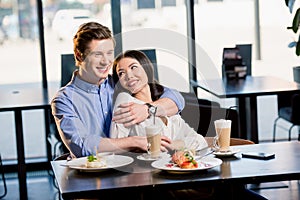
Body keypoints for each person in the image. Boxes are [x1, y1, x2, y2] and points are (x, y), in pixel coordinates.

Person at [51, 22, 185, 158]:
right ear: (79, 56)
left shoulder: (121, 81)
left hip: (134, 167)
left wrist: (148, 109)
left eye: (109, 53)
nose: (106, 61)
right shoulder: (63, 100)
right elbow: (82, 146)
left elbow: (176, 99)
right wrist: (134, 142)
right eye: (97, 54)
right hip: (92, 173)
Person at [110, 50, 208, 151]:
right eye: (121, 73)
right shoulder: (125, 101)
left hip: (173, 165)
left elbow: (199, 141)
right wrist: (135, 144)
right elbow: (115, 145)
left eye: (133, 67)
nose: (129, 76)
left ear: (146, 68)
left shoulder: (165, 104)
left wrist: (173, 145)